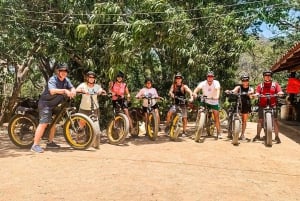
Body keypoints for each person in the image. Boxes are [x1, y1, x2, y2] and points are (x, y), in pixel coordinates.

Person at [31, 63, 76, 153]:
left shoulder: (66, 80)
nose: (63, 72)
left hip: (55, 104)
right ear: (58, 71)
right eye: (62, 71)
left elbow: (72, 87)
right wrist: (64, 90)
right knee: (44, 123)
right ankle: (34, 145)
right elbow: (52, 91)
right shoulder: (53, 79)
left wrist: (73, 91)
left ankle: (50, 142)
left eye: (65, 71)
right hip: (45, 104)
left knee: (54, 122)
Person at [252, 70, 284, 143]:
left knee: (275, 120)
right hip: (262, 105)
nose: (267, 77)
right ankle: (258, 135)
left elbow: (279, 91)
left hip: (273, 105)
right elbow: (257, 92)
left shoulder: (275, 85)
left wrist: (280, 93)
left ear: (271, 77)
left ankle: (276, 136)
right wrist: (256, 94)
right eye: (266, 75)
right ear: (263, 77)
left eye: (269, 75)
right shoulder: (260, 85)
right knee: (260, 120)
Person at [193, 71, 222, 139]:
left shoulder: (216, 83)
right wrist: (194, 93)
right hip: (205, 100)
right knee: (200, 111)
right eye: (208, 76)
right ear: (207, 77)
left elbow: (218, 89)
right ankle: (198, 126)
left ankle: (219, 132)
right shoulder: (203, 83)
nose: (210, 78)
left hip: (214, 101)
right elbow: (197, 88)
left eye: (211, 76)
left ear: (213, 77)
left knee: (216, 117)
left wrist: (217, 96)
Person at [225, 74, 254, 140]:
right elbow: (234, 90)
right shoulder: (239, 87)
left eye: (246, 80)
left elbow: (252, 93)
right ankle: (229, 132)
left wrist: (250, 94)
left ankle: (242, 134)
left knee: (244, 120)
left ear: (248, 81)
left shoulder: (250, 88)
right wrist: (230, 91)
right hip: (238, 103)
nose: (245, 81)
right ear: (241, 81)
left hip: (246, 105)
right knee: (231, 115)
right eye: (243, 80)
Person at [165, 72, 193, 137]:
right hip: (176, 104)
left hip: (183, 104)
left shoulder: (184, 86)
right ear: (175, 79)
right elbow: (170, 91)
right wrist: (172, 95)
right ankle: (168, 126)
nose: (178, 79)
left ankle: (184, 131)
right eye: (177, 78)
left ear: (181, 79)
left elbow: (190, 91)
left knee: (185, 118)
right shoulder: (173, 86)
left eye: (179, 78)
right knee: (169, 113)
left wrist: (191, 97)